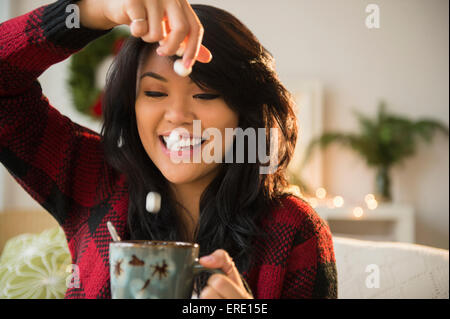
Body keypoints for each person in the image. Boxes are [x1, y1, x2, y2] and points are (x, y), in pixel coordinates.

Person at [0, 0, 338, 299]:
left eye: (205, 94)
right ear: (130, 107)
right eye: (154, 93)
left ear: (242, 112)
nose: (177, 115)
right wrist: (95, 10)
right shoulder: (92, 179)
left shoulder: (293, 230)